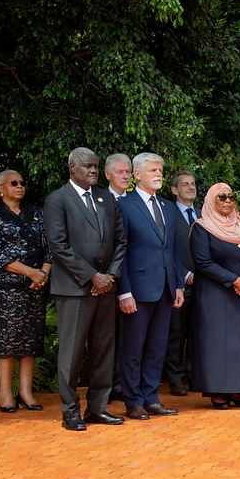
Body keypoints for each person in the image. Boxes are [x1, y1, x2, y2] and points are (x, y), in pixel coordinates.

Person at [45, 147, 127, 430]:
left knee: (104, 350)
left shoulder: (105, 198)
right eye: (87, 166)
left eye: (95, 166)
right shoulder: (58, 199)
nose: (93, 170)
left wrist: (110, 276)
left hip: (105, 287)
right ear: (72, 168)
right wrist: (92, 276)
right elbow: (58, 245)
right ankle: (70, 413)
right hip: (75, 289)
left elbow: (120, 241)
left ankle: (98, 408)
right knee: (72, 354)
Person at [117, 152, 185, 420]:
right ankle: (133, 400)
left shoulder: (168, 206)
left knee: (158, 347)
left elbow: (174, 250)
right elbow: (119, 252)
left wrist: (178, 284)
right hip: (137, 288)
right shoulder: (124, 205)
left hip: (166, 287)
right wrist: (124, 291)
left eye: (160, 170)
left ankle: (151, 397)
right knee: (134, 348)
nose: (158, 174)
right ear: (136, 175)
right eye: (153, 170)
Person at [189, 183, 240, 407]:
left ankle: (238, 390)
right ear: (211, 200)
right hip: (216, 295)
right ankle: (218, 391)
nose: (227, 201)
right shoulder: (201, 228)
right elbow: (203, 262)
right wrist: (235, 280)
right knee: (219, 344)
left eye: (231, 197)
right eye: (221, 197)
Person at [0, 170, 52, 413]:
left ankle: (26, 391)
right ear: (2, 188)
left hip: (35, 286)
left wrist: (42, 273)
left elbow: (50, 246)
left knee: (31, 338)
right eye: (14, 183)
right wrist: (30, 272)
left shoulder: (36, 213)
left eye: (22, 183)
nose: (19, 186)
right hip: (5, 287)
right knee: (8, 339)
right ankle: (5, 392)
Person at [164, 170, 200, 396]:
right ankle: (174, 378)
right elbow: (166, 249)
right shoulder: (168, 213)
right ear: (175, 190)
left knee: (198, 332)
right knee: (176, 333)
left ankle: (194, 374)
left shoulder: (203, 214)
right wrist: (185, 275)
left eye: (193, 184)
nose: (191, 187)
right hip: (179, 283)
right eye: (185, 184)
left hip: (205, 284)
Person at [104, 152, 132, 402]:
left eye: (128, 172)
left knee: (127, 336)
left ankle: (123, 384)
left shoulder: (135, 201)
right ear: (108, 175)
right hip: (104, 278)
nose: (126, 176)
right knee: (105, 336)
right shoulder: (100, 200)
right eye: (121, 172)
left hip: (131, 278)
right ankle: (105, 384)